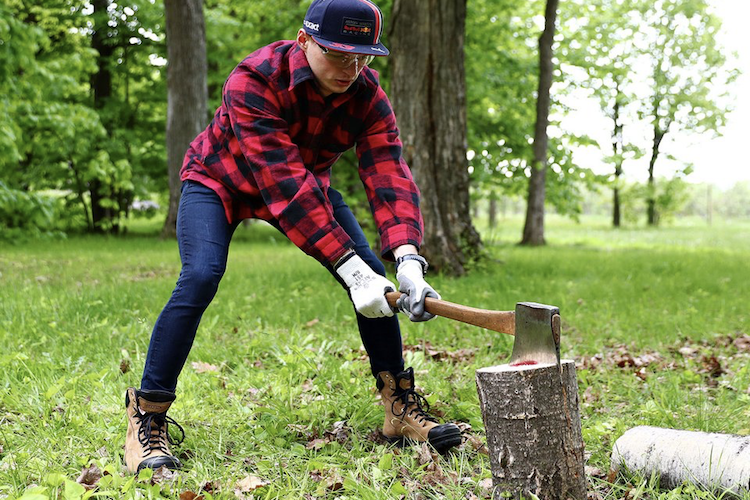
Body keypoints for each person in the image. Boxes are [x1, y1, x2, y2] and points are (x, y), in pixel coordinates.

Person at [123, 0, 462, 474]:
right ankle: (147, 416)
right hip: (220, 180)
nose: (353, 68)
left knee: (376, 274)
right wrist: (349, 269)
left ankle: (398, 407)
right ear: (304, 41)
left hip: (306, 184)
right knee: (200, 275)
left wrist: (408, 258)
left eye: (363, 56)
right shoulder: (254, 79)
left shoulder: (367, 95)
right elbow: (283, 185)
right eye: (340, 55)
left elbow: (387, 170)